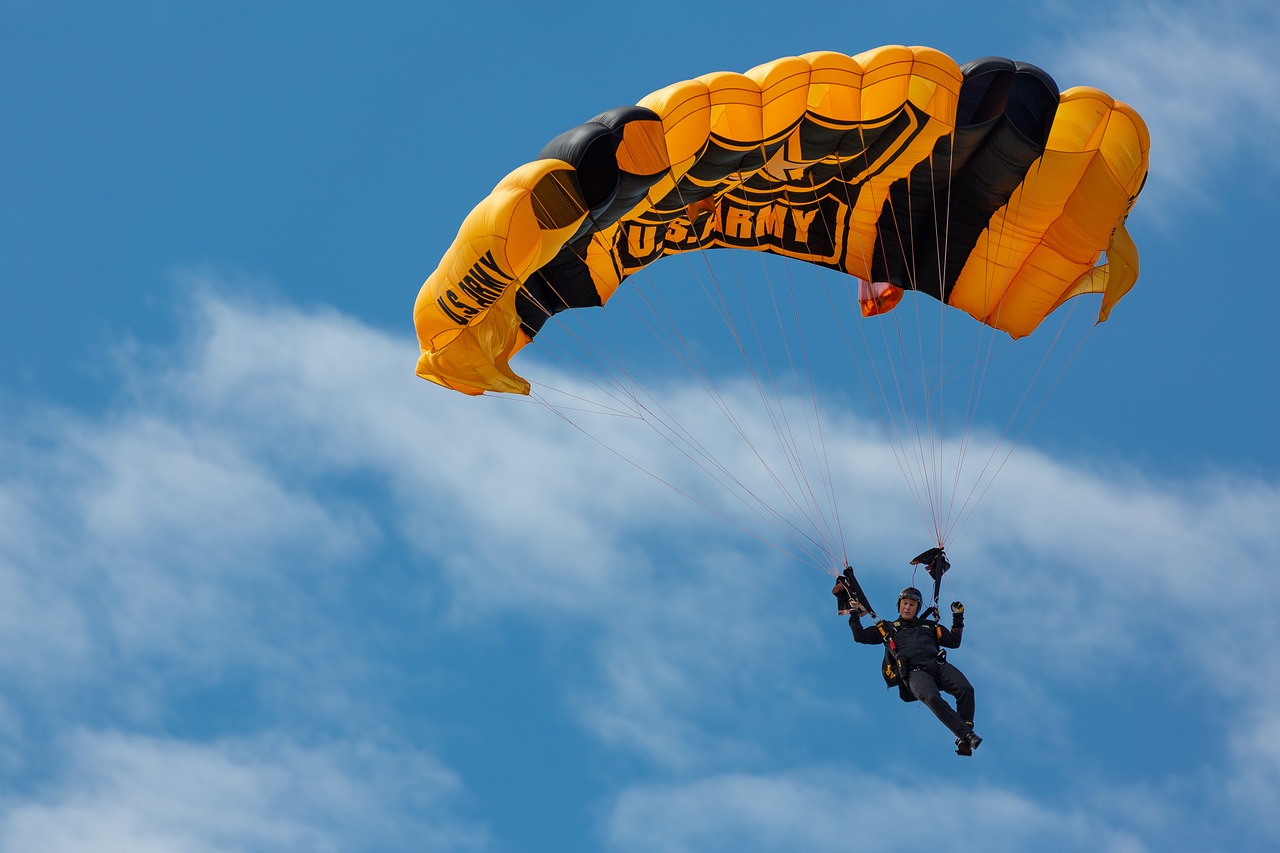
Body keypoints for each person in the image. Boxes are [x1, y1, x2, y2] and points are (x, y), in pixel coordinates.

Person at [840, 584, 982, 756]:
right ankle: (966, 734)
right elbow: (860, 636)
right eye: (904, 603)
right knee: (932, 697)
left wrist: (958, 616)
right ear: (899, 605)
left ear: (917, 608)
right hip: (915, 672)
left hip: (937, 665)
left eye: (911, 605)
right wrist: (854, 613)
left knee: (966, 689)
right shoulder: (889, 628)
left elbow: (953, 641)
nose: (907, 607)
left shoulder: (929, 626)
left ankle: (964, 733)